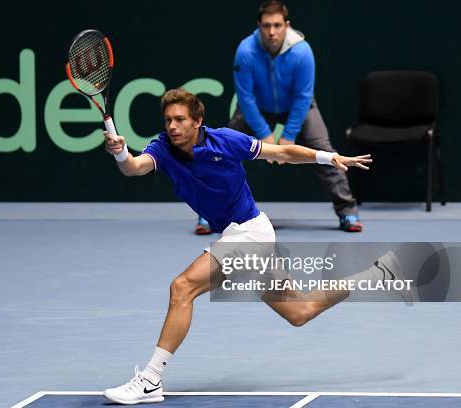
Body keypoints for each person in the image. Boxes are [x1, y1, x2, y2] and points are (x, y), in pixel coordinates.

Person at [101, 88, 408, 405]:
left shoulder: (225, 140)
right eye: (168, 120)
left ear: (197, 121)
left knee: (183, 287)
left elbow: (283, 153)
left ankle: (151, 379)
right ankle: (378, 274)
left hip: (249, 232)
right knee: (299, 312)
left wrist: (329, 157)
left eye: (180, 120)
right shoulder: (163, 148)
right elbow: (134, 168)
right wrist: (120, 153)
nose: (173, 127)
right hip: (238, 236)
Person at [195, 0, 362, 235]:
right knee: (221, 150)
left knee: (322, 148)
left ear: (287, 25)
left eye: (277, 25)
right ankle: (209, 212)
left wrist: (289, 135)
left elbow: (303, 96)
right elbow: (246, 97)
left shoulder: (302, 51)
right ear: (259, 26)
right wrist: (265, 134)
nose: (271, 32)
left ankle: (347, 211)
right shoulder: (245, 51)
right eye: (266, 26)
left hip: (297, 107)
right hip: (256, 109)